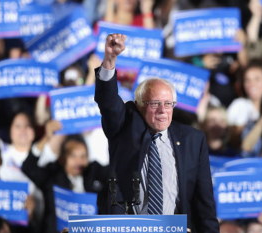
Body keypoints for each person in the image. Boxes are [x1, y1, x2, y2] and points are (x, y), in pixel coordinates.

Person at [94, 33, 219, 232]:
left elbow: (205, 205)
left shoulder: (193, 140)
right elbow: (108, 102)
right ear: (139, 105)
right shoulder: (125, 126)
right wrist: (110, 59)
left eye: (168, 104)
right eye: (154, 104)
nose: (162, 110)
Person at [21, 120, 109, 233]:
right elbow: (28, 167)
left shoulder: (95, 172)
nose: (79, 161)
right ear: (62, 158)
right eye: (73, 156)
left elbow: (116, 172)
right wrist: (46, 138)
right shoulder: (53, 176)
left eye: (83, 156)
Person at [227, 59, 262, 150]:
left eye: (257, 79)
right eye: (247, 80)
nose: (251, 84)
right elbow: (233, 142)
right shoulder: (239, 105)